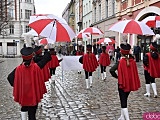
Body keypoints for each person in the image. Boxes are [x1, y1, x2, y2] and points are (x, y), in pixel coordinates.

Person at [7, 46, 51, 120]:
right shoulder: (36, 67)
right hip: (33, 94)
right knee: (32, 114)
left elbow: (10, 78)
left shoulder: (18, 68)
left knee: (24, 107)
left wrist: (18, 86)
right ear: (31, 57)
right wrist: (46, 49)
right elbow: (46, 59)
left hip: (23, 94)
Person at [109, 43, 140, 120]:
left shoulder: (120, 62)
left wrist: (117, 77)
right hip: (130, 84)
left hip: (122, 84)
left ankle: (127, 118)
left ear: (121, 52)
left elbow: (111, 70)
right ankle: (122, 116)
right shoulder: (132, 61)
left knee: (123, 102)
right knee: (124, 99)